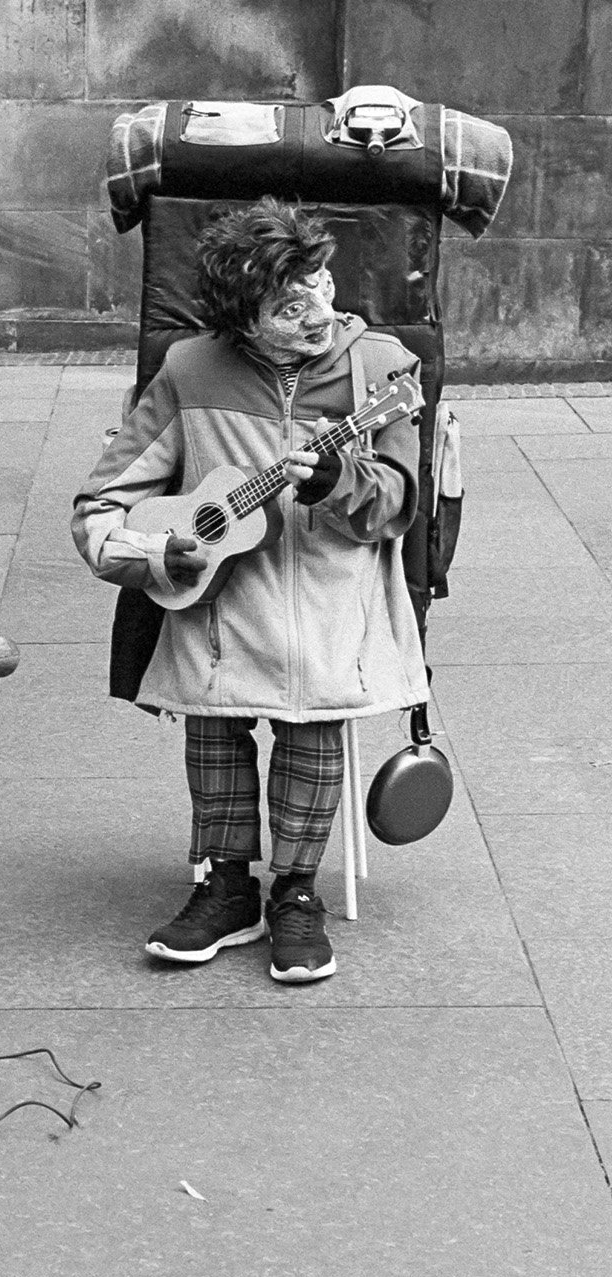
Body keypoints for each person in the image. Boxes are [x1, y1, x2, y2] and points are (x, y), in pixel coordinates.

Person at [71, 197, 429, 983]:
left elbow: (402, 501)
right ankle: (226, 887)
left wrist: (340, 481)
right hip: (220, 605)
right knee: (214, 724)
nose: (319, 315)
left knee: (312, 722)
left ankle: (296, 893)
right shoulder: (190, 370)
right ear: (242, 319)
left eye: (322, 285)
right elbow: (99, 509)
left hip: (333, 600)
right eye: (289, 308)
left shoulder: (382, 369)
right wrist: (159, 554)